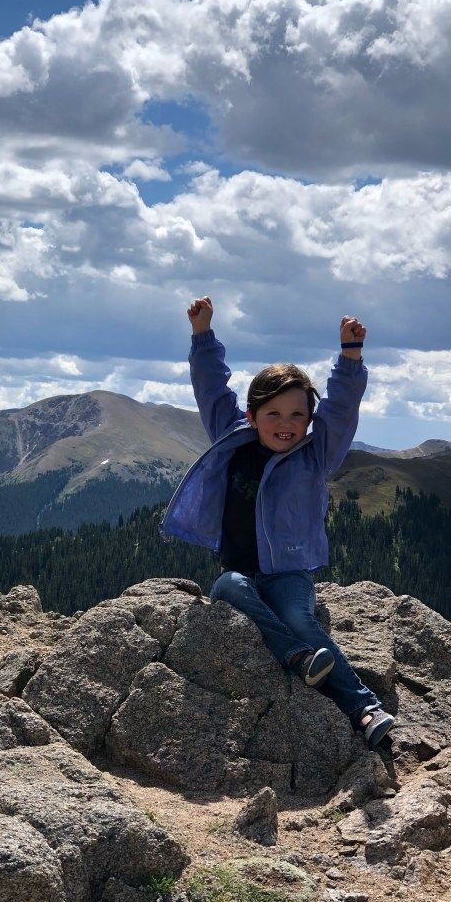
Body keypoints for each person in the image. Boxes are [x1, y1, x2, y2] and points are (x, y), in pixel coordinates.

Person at [160, 296, 395, 749]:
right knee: (227, 585)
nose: (286, 424)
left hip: (290, 573)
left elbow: (341, 410)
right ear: (252, 415)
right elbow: (211, 389)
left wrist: (350, 357)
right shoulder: (232, 437)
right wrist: (202, 335)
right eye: (273, 414)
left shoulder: (317, 455)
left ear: (310, 420)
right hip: (242, 573)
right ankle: (298, 657)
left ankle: (364, 709)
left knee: (298, 617)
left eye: (297, 415)